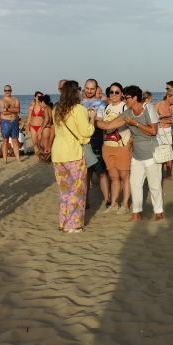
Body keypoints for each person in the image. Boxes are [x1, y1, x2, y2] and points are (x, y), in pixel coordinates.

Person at [100, 85, 163, 221]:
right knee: (135, 185)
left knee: (154, 185)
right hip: (136, 155)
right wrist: (95, 120)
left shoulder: (148, 108)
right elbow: (110, 125)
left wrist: (135, 123)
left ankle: (159, 212)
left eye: (126, 97)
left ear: (135, 98)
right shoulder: (127, 113)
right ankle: (136, 214)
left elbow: (153, 131)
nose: (124, 100)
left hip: (151, 153)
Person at [52, 81, 95, 233]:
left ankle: (63, 222)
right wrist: (92, 118)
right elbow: (87, 131)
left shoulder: (56, 109)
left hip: (58, 153)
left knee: (64, 191)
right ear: (76, 92)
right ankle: (74, 225)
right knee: (77, 190)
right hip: (73, 153)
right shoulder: (79, 109)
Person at [97, 82, 132, 213]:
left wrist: (105, 124)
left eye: (117, 92)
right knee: (113, 177)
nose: (114, 95)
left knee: (125, 176)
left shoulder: (125, 107)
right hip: (107, 146)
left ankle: (125, 204)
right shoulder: (107, 108)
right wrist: (104, 124)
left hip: (122, 146)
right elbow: (99, 123)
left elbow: (104, 124)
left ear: (121, 94)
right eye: (111, 92)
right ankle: (114, 204)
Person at [82, 79, 110, 208]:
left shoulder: (101, 104)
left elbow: (101, 119)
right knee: (85, 174)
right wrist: (91, 117)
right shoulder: (79, 103)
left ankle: (107, 199)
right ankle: (86, 201)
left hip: (96, 140)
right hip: (82, 141)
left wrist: (88, 119)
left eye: (92, 89)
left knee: (101, 172)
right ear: (84, 88)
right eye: (87, 88)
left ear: (96, 89)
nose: (89, 91)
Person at [0, 84, 23, 163]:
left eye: (9, 90)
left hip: (14, 122)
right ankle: (5, 160)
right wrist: (12, 109)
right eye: (6, 90)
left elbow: (18, 110)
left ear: (11, 91)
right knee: (5, 140)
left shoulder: (16, 99)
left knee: (15, 140)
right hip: (5, 122)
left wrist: (7, 108)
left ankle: (18, 159)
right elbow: (3, 112)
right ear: (4, 91)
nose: (7, 92)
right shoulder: (1, 100)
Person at [155, 91, 173, 179]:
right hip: (159, 130)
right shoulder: (159, 104)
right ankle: (159, 173)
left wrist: (166, 119)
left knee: (168, 152)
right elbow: (153, 117)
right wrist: (162, 117)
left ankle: (169, 174)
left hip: (168, 130)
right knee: (160, 151)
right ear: (168, 96)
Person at [24, 91, 48, 158]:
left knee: (40, 143)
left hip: (41, 126)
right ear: (35, 97)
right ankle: (38, 156)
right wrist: (27, 126)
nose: (39, 98)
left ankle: (42, 154)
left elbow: (47, 117)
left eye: (41, 97)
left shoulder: (43, 106)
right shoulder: (32, 106)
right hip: (33, 126)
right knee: (34, 143)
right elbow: (29, 117)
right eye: (38, 96)